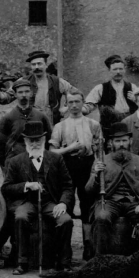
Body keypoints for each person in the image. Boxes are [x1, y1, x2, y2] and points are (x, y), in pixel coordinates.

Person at [1, 120, 75, 276]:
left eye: (37, 140)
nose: (34, 143)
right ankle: (22, 262)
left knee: (66, 220)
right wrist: (27, 185)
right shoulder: (16, 161)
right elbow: (6, 188)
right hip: (27, 202)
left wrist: (62, 203)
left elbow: (68, 185)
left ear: (43, 140)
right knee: (21, 217)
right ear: (25, 141)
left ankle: (64, 263)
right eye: (31, 140)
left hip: (50, 202)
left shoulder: (55, 159)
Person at [88, 123, 139, 255]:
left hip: (134, 202)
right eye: (117, 141)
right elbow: (89, 190)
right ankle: (100, 261)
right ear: (111, 142)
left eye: (124, 140)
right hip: (109, 201)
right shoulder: (101, 161)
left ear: (130, 141)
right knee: (101, 218)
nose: (121, 144)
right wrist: (97, 175)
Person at [49, 88, 102, 259]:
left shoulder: (93, 124)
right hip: (66, 167)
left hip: (87, 167)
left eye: (77, 102)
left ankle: (88, 246)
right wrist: (70, 148)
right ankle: (65, 250)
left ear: (83, 103)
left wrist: (94, 165)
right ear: (66, 105)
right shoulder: (60, 126)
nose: (74, 105)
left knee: (87, 206)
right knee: (67, 204)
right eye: (70, 102)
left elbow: (100, 150)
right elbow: (52, 152)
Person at [0, 78, 53, 170]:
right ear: (15, 94)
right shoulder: (8, 118)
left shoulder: (40, 116)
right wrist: (8, 163)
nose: (24, 95)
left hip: (38, 164)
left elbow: (50, 141)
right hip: (16, 165)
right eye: (20, 92)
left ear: (31, 93)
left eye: (27, 91)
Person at [84, 54, 139, 131]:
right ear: (109, 70)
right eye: (115, 69)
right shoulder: (100, 88)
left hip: (130, 126)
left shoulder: (133, 87)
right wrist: (81, 109)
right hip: (109, 127)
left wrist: (136, 100)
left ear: (124, 70)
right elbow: (89, 105)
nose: (118, 72)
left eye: (120, 69)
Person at [25, 49, 73, 125]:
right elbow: (6, 98)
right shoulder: (24, 81)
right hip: (30, 126)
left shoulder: (57, 82)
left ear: (46, 65)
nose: (36, 67)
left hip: (52, 125)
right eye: (33, 64)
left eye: (39, 64)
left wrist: (66, 107)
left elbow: (76, 94)